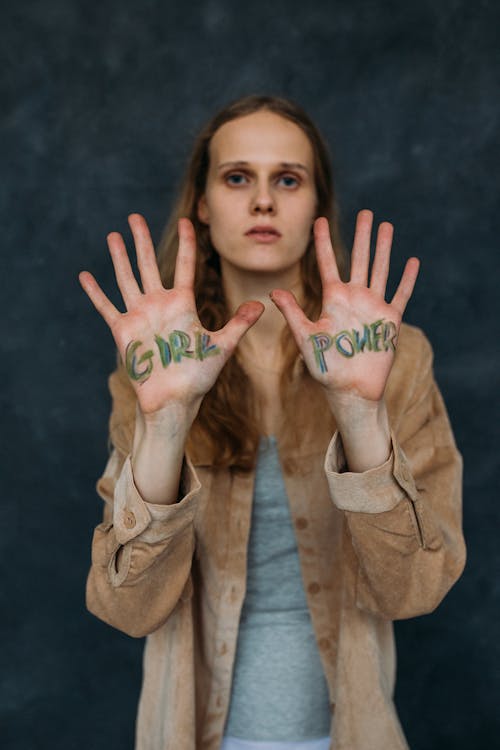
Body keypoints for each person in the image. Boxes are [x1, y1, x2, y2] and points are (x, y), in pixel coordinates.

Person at [79, 95, 466, 750]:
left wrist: (360, 413)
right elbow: (127, 608)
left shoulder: (396, 360)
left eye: (288, 179)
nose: (263, 201)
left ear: (317, 204)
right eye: (238, 178)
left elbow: (414, 590)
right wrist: (167, 421)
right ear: (202, 203)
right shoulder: (154, 368)